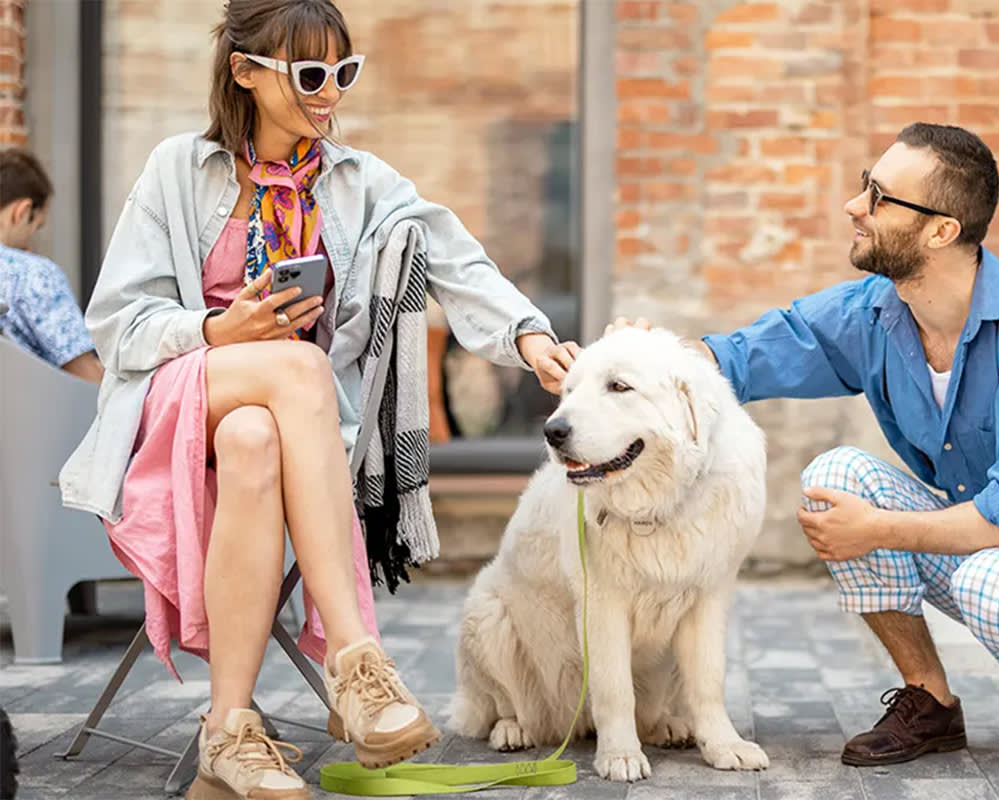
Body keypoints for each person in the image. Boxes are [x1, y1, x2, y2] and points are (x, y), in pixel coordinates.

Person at [58, 2, 577, 798]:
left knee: (255, 439)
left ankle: (228, 733)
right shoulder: (175, 169)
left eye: (344, 71)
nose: (329, 92)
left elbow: (454, 258)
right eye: (309, 74)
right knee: (294, 369)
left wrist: (529, 339)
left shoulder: (358, 182)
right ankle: (356, 661)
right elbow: (118, 325)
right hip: (174, 400)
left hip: (274, 431)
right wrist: (219, 327)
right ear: (246, 71)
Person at [612, 122, 999, 768]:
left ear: (942, 230)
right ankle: (929, 701)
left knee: (994, 587)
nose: (854, 207)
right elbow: (743, 357)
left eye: (880, 196)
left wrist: (878, 530)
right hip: (984, 537)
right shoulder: (876, 311)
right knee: (835, 480)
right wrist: (639, 361)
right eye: (866, 186)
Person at [0, 148, 104, 384]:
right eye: (37, 226)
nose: (31, 240)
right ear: (22, 212)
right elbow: (86, 377)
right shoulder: (34, 274)